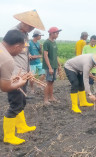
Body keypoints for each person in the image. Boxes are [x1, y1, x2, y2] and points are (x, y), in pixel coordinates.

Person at [5, 10, 45, 145]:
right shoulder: (13, 33)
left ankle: (21, 127)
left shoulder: (26, 35)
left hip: (24, 74)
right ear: (23, 22)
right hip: (15, 76)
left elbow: (24, 55)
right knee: (15, 103)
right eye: (30, 26)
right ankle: (9, 136)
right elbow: (6, 55)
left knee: (22, 101)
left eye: (34, 27)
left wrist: (28, 72)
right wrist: (13, 74)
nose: (32, 29)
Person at [43, 27, 62, 105]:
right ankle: (45, 100)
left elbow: (55, 55)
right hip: (49, 66)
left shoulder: (54, 42)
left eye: (58, 33)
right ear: (51, 33)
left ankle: (51, 97)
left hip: (54, 66)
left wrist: (59, 65)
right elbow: (45, 55)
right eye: (56, 33)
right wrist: (50, 67)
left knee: (52, 82)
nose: (57, 35)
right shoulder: (46, 43)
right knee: (48, 82)